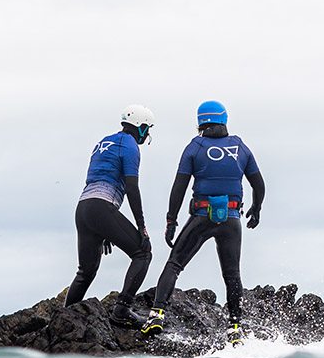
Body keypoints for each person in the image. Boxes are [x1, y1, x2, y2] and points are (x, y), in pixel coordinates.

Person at [142, 100, 264, 345]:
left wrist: (171, 220)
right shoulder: (240, 147)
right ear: (224, 119)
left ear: (200, 122)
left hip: (202, 215)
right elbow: (258, 184)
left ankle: (156, 315)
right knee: (232, 275)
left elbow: (179, 187)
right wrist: (255, 209)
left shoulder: (195, 147)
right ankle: (234, 327)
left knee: (175, 264)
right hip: (231, 218)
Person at [65, 105, 155, 328]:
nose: (148, 134)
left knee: (85, 272)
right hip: (101, 207)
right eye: (148, 129)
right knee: (143, 252)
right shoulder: (131, 145)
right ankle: (122, 310)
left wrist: (103, 229)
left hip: (84, 208)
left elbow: (99, 179)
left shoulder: (103, 142)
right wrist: (142, 226)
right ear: (141, 127)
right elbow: (132, 188)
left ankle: (64, 319)